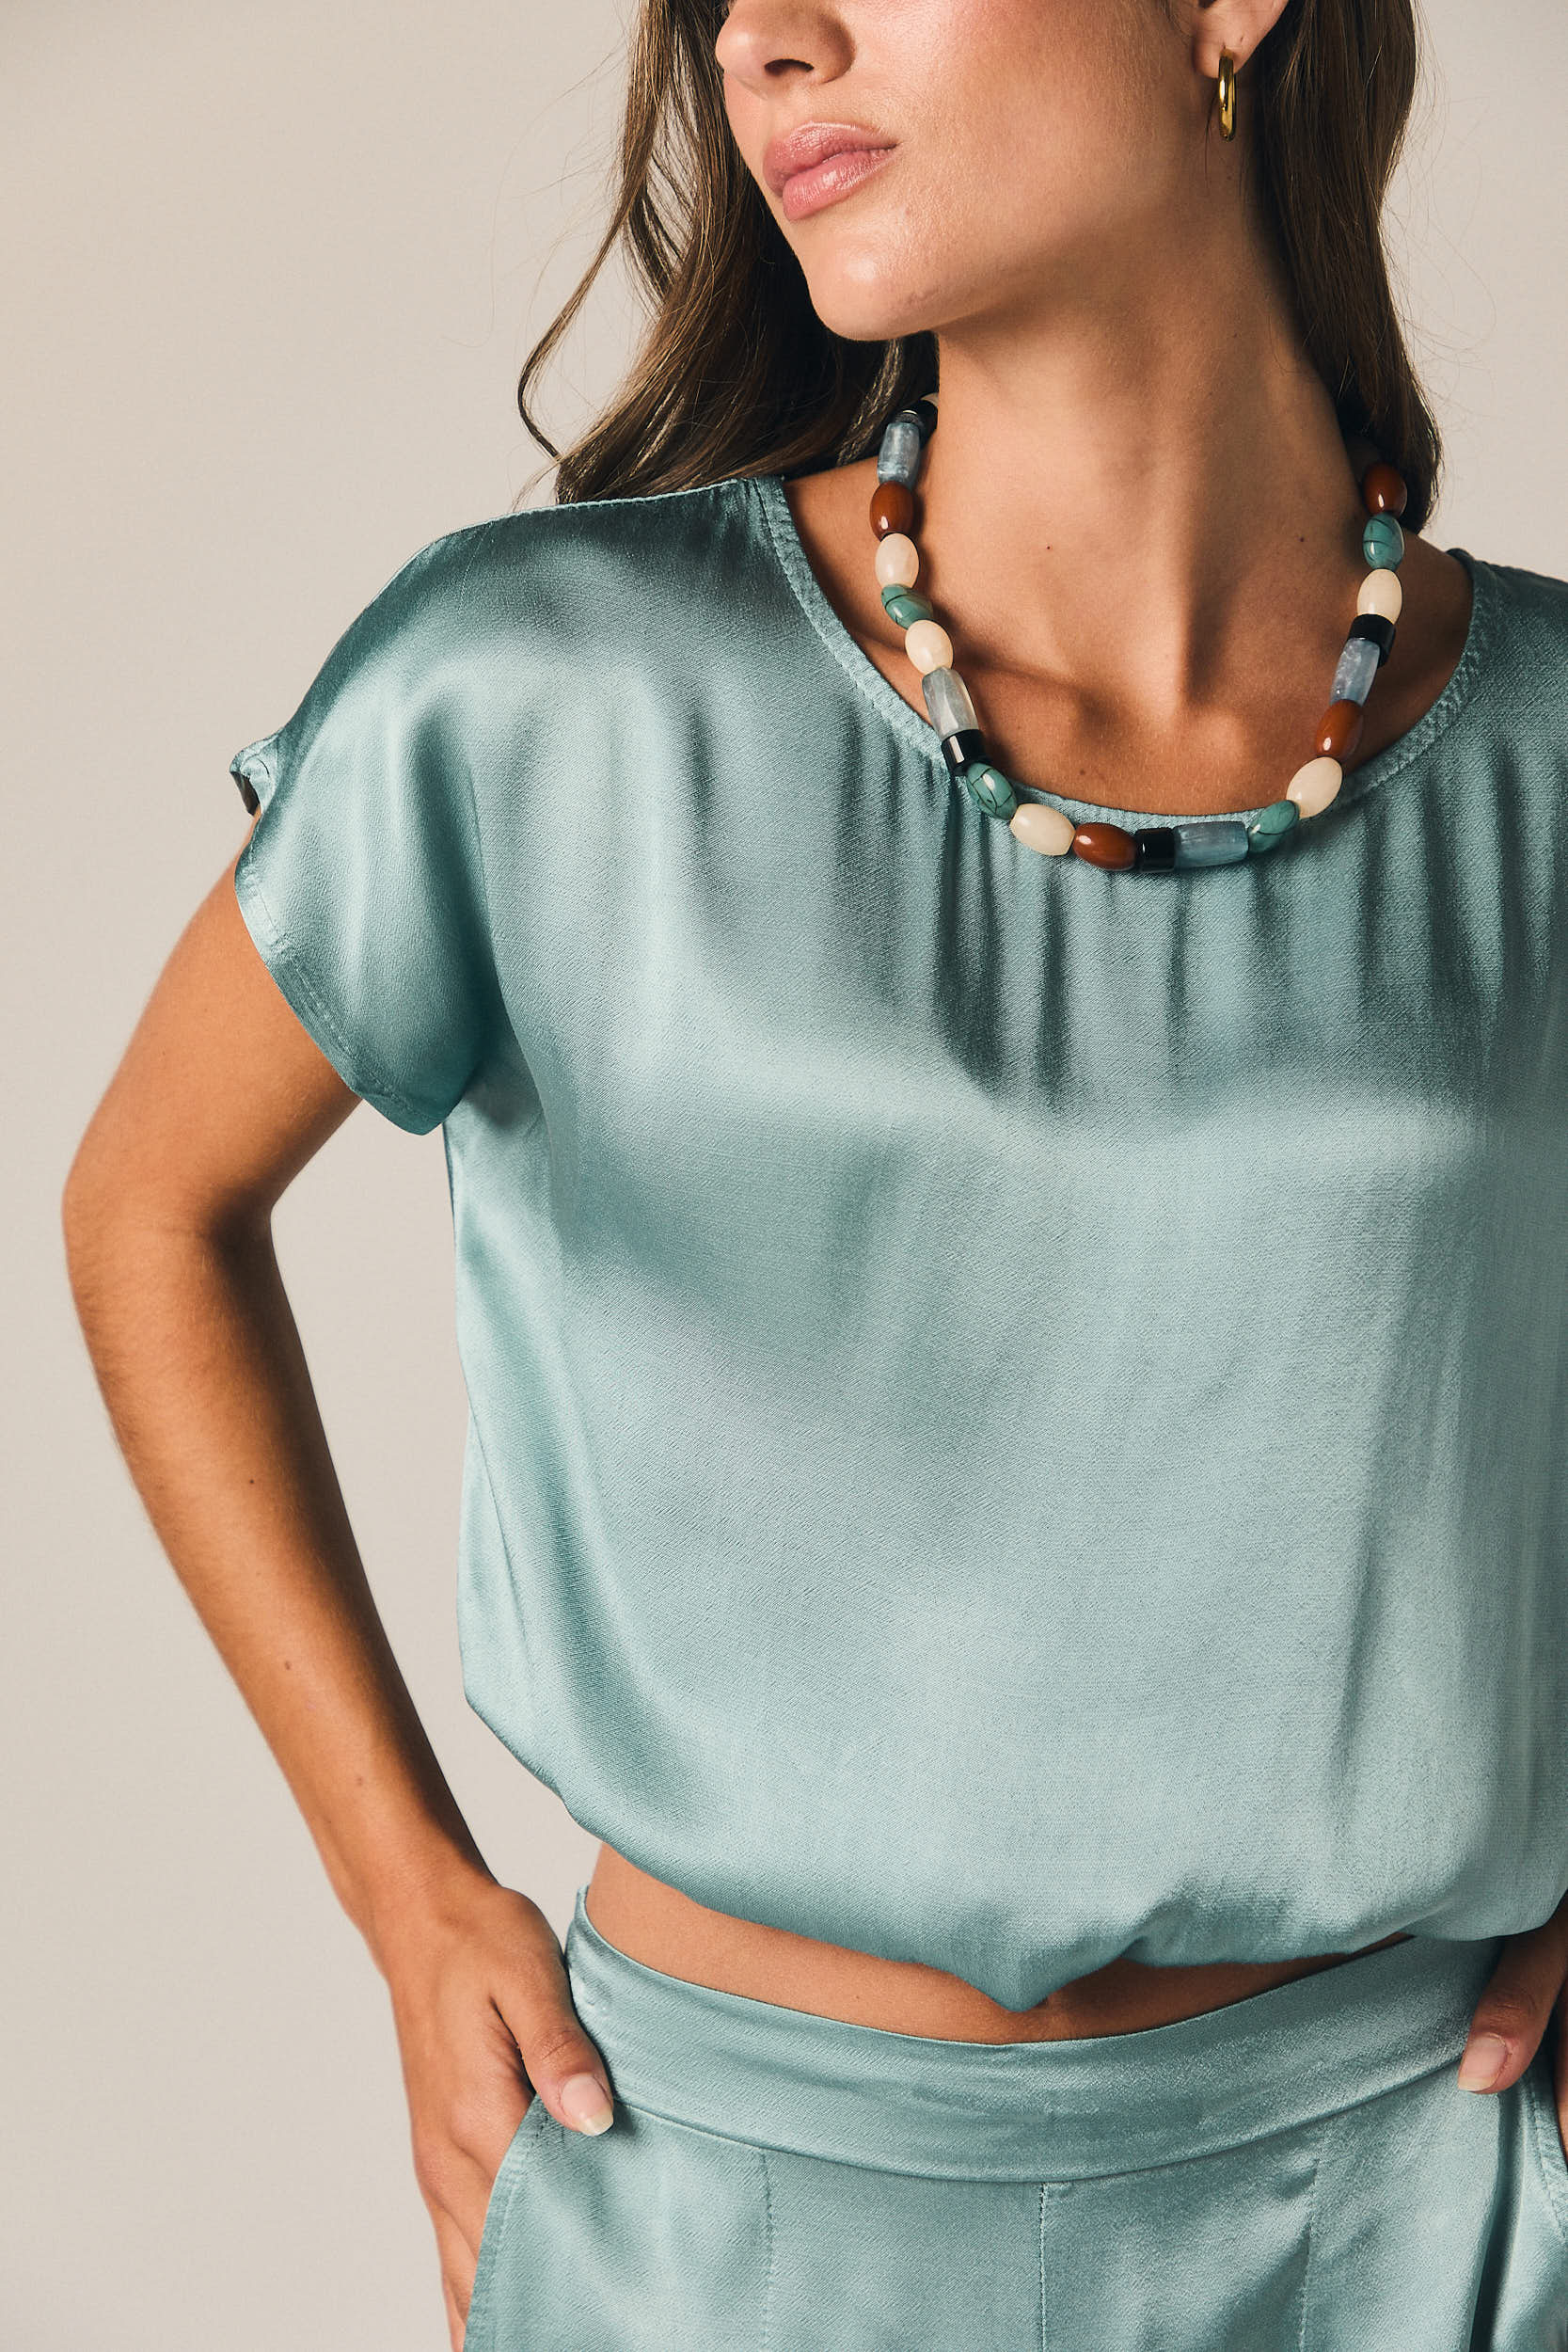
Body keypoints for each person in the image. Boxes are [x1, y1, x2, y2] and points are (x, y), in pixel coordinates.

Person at [63, 0, 1568, 2343]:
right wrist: (404, 1891)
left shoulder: (1544, 758)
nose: (769, 36)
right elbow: (148, 1204)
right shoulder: (543, 687)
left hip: (1417, 2220)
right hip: (710, 2225)